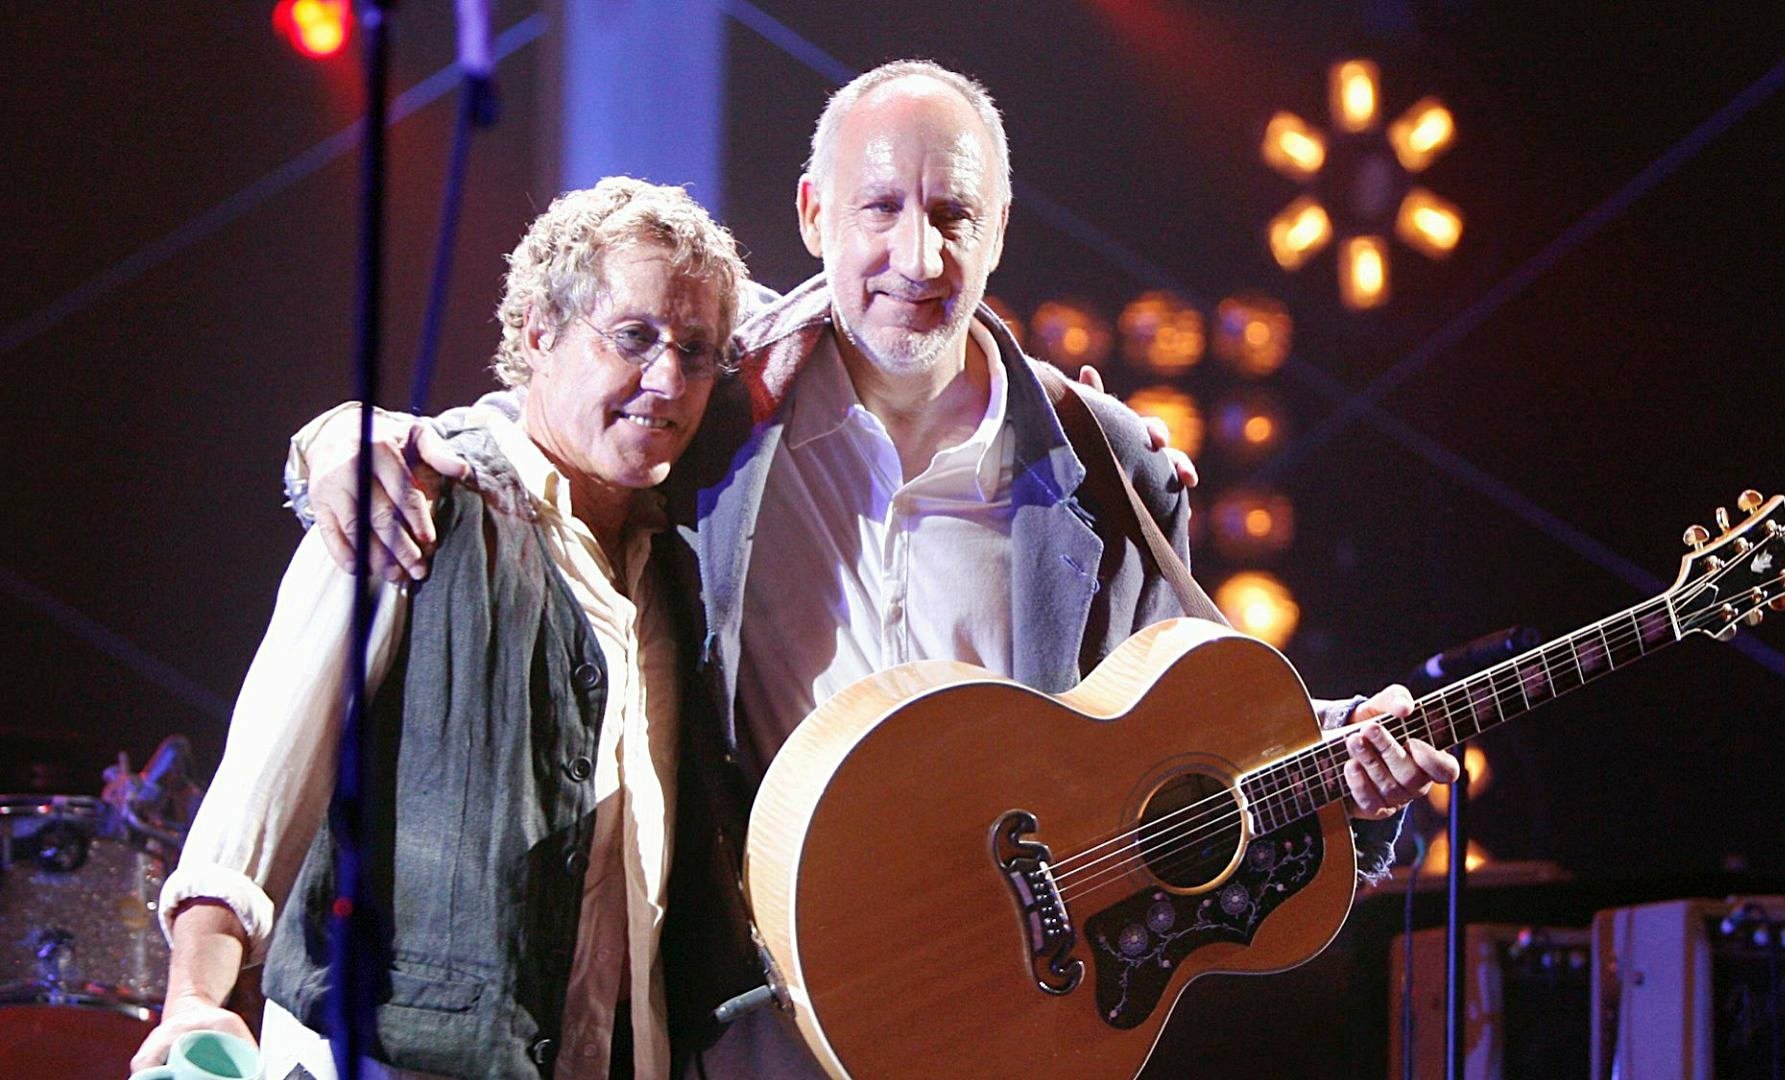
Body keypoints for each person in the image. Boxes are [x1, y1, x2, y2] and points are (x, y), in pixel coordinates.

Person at [287, 62, 1458, 1077]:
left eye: (954, 212)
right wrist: (344, 442)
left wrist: (1350, 781)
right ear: (812, 214)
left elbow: (1194, 747)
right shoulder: (719, 414)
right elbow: (556, 425)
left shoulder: (1114, 472)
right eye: (880, 207)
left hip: (1005, 1028)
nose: (917, 253)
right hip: (749, 1025)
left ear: (1000, 229)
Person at [135, 178, 750, 1079]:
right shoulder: (418, 498)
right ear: (541, 331)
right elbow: (259, 787)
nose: (666, 379)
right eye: (633, 337)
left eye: (695, 351)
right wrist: (194, 1000)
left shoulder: (678, 571)